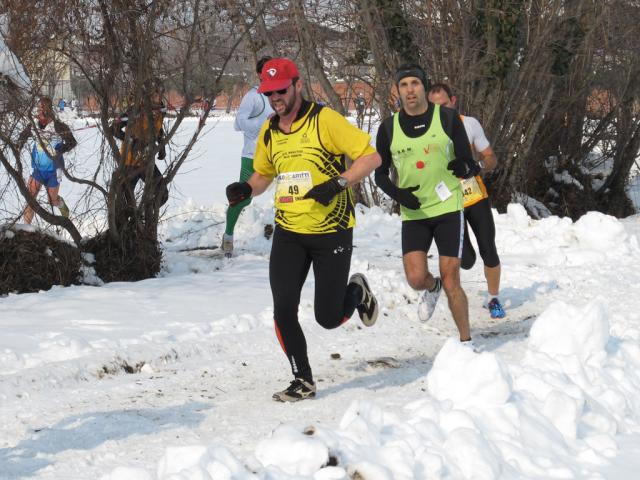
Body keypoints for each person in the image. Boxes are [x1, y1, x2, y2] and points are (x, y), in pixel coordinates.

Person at [225, 57, 382, 402]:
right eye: (269, 93)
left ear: (297, 85)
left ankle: (357, 293)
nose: (275, 98)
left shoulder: (324, 120)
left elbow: (370, 157)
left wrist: (339, 183)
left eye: (281, 90)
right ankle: (303, 380)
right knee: (283, 308)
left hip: (332, 230)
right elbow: (264, 173)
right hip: (289, 231)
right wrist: (246, 190)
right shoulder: (269, 129)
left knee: (327, 317)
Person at [374, 64, 480, 346]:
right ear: (397, 90)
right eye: (404, 84)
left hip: (448, 208)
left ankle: (466, 342)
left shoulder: (447, 118)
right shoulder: (388, 128)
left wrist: (464, 166)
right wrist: (399, 195)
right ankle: (430, 288)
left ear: (424, 86)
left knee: (451, 279)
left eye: (415, 84)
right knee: (415, 277)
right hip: (414, 213)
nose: (410, 90)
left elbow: (470, 163)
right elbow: (379, 175)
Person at [428, 83, 505, 319]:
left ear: (453, 100)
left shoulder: (469, 123)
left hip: (474, 196)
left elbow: (491, 158)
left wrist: (479, 166)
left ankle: (493, 298)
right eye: (434, 107)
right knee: (467, 260)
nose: (440, 110)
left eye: (444, 105)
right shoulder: (425, 130)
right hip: (448, 201)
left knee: (488, 249)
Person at [221, 56, 274, 257]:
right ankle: (228, 237)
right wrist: (265, 125)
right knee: (243, 198)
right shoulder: (254, 96)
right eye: (268, 71)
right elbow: (238, 123)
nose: (272, 73)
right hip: (253, 155)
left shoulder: (281, 94)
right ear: (260, 74)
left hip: (279, 153)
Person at [111, 82, 168, 210]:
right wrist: (132, 140)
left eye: (160, 94)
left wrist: (161, 144)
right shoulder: (135, 110)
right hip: (129, 162)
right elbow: (113, 129)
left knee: (162, 194)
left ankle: (143, 214)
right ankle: (130, 223)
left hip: (146, 161)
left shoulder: (161, 110)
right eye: (154, 94)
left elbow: (157, 129)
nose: (158, 97)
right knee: (125, 202)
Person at [20, 96, 77, 224]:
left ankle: (64, 211)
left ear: (49, 109)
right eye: (38, 109)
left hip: (54, 170)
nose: (39, 112)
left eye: (42, 108)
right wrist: (18, 145)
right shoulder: (33, 126)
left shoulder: (58, 126)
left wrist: (59, 149)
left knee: (52, 200)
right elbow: (22, 137)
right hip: (38, 169)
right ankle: (26, 229)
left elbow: (72, 142)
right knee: (31, 199)